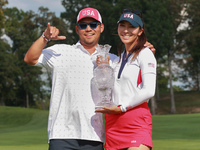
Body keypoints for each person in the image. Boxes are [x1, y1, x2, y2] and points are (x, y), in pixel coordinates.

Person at [24, 7, 155, 150]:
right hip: (61, 134)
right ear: (76, 29)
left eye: (93, 25)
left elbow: (133, 81)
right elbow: (30, 59)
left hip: (95, 135)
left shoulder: (112, 60)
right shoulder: (61, 51)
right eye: (83, 25)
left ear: (101, 27)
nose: (88, 28)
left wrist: (143, 49)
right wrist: (45, 37)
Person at [95, 9, 157, 150]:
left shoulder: (145, 53)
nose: (126, 31)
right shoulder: (117, 60)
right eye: (122, 25)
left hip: (136, 124)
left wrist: (121, 108)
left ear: (140, 31)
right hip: (113, 126)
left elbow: (149, 91)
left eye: (132, 27)